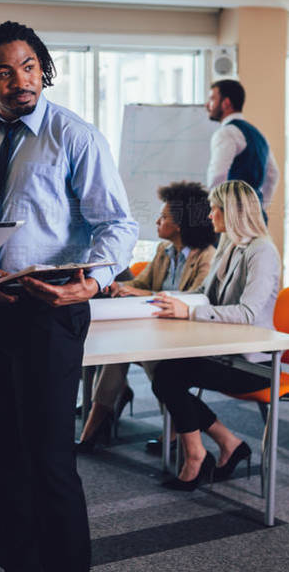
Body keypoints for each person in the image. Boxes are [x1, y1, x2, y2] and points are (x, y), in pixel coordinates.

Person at [0, 21, 139, 572]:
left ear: (42, 69)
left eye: (29, 67)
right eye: (5, 71)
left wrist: (93, 283)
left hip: (50, 308)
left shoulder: (74, 136)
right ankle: (18, 565)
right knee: (2, 447)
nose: (20, 80)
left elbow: (118, 224)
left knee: (49, 457)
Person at [148, 179, 281, 491]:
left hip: (253, 364)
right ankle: (225, 444)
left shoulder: (262, 252)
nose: (209, 216)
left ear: (232, 212)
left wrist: (190, 312)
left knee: (168, 376)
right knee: (166, 373)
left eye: (214, 209)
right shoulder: (229, 246)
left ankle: (200, 454)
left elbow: (247, 313)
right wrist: (173, 301)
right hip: (223, 352)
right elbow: (205, 294)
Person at [77, 180, 216, 453]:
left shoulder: (206, 257)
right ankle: (91, 430)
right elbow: (142, 284)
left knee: (153, 362)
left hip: (185, 337)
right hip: (157, 331)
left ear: (180, 224)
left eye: (163, 217)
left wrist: (137, 292)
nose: (157, 221)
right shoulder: (164, 251)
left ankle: (177, 427)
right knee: (116, 353)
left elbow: (194, 301)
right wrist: (123, 288)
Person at [205, 79, 280, 219]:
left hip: (232, 217)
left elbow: (217, 176)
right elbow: (273, 175)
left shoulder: (226, 133)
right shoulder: (259, 135)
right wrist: (261, 207)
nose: (207, 105)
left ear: (226, 103)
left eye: (212, 99)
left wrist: (214, 209)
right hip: (256, 217)